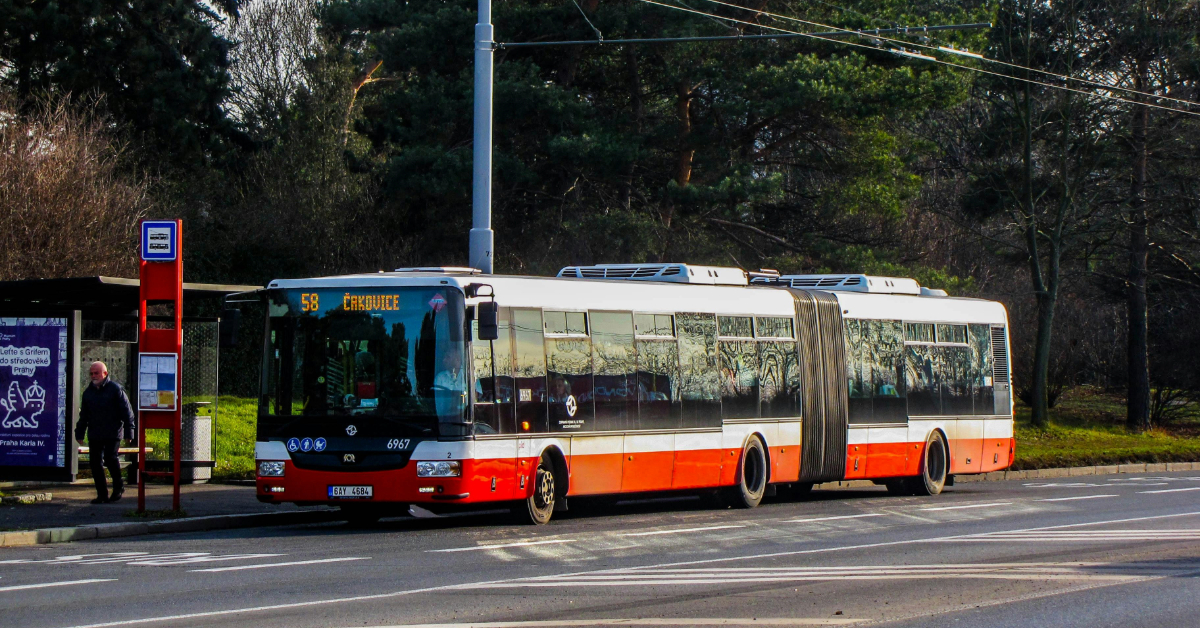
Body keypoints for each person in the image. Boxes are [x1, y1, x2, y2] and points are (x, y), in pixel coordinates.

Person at [74, 361, 136, 504]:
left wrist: (129, 432)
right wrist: (79, 432)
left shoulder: (115, 389)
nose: (93, 376)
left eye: (96, 373)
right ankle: (102, 494)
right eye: (91, 373)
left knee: (110, 459)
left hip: (112, 432)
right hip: (95, 433)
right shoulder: (88, 392)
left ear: (105, 373)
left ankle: (118, 486)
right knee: (95, 463)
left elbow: (127, 412)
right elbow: (84, 415)